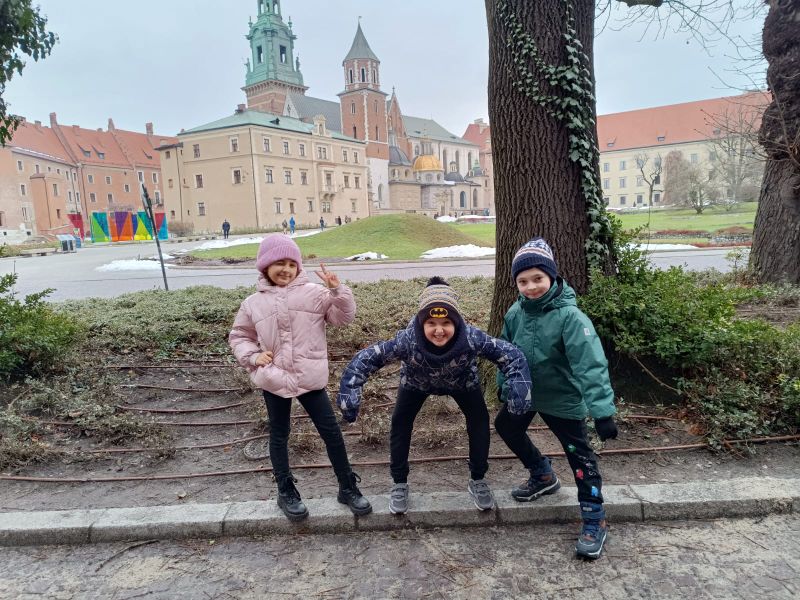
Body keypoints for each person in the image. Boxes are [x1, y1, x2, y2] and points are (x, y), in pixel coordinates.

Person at [338, 277, 532, 515]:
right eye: (431, 323)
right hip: (415, 384)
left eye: (446, 323)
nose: (439, 330)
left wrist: (519, 392)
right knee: (400, 422)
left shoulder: (472, 338)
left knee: (480, 420)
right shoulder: (407, 340)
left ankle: (478, 478)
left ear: (456, 322)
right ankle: (399, 482)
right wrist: (350, 393)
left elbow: (512, 356)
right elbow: (366, 360)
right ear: (422, 323)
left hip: (462, 383)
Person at [229, 235, 371, 521]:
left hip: (309, 376)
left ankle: (347, 487)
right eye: (279, 263)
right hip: (274, 378)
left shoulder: (315, 293)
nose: (286, 269)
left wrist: (337, 291)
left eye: (291, 264)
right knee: (279, 434)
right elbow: (240, 336)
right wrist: (253, 357)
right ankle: (286, 491)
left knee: (331, 432)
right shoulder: (252, 303)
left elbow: (343, 318)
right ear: (265, 266)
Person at [494, 237, 618, 559]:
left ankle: (594, 516)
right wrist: (505, 387)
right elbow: (504, 352)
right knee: (506, 426)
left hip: (562, 399)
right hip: (526, 395)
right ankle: (543, 474)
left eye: (538, 278)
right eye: (523, 281)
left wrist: (602, 411)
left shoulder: (570, 317)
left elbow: (590, 364)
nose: (531, 287)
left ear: (551, 276)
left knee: (580, 457)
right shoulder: (515, 313)